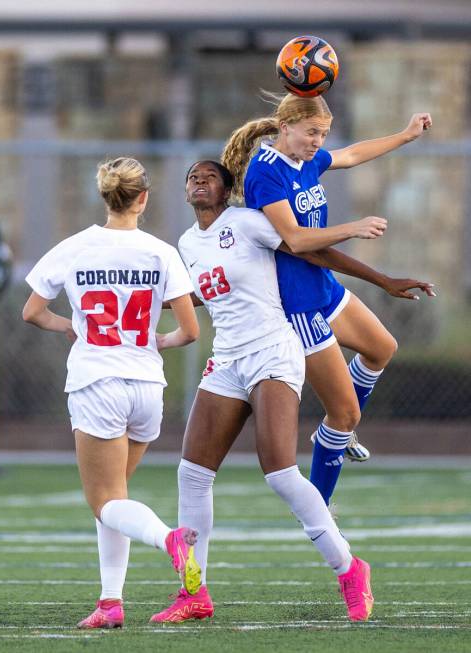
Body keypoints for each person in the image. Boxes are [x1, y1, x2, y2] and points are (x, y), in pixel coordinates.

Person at [150, 159, 386, 625]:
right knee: (192, 474)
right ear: (185, 192)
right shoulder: (185, 243)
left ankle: (349, 567)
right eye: (193, 176)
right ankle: (193, 592)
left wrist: (383, 281)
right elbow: (203, 293)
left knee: (279, 472)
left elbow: (311, 253)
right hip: (229, 358)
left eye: (210, 176)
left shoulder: (248, 221)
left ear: (226, 189)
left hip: (272, 351)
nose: (199, 180)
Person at [222, 93, 433, 504]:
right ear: (285, 128)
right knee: (346, 412)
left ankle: (333, 434)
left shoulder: (306, 160)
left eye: (323, 133)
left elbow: (352, 155)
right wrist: (352, 228)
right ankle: (318, 510)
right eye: (311, 132)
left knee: (382, 348)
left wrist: (406, 136)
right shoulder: (266, 174)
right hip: (297, 302)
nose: (318, 141)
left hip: (323, 287)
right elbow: (296, 240)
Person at [22, 157, 202, 629]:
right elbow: (189, 330)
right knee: (115, 502)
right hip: (146, 384)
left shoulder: (76, 247)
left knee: (104, 502)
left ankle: (170, 540)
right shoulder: (161, 252)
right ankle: (110, 603)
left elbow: (32, 311)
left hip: (97, 381)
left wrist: (70, 327)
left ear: (105, 197)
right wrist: (156, 340)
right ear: (143, 198)